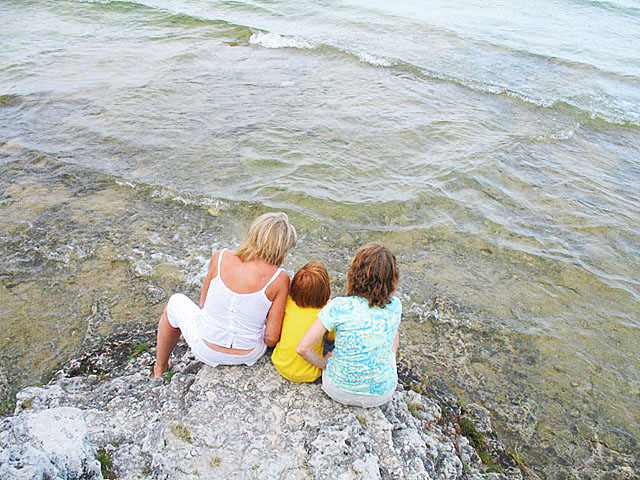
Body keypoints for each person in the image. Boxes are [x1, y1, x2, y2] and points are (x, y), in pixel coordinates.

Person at [151, 212, 296, 378]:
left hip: (206, 349)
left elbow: (204, 304)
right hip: (249, 354)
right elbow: (270, 338)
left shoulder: (221, 257)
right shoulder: (280, 278)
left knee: (175, 302)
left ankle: (160, 368)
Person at [296, 244, 401, 407]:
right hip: (381, 394)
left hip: (338, 389)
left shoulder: (339, 306)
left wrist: (324, 363)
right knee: (393, 331)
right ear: (392, 279)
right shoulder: (395, 305)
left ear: (354, 273)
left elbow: (302, 348)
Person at [271, 261, 332, 382]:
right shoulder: (326, 311)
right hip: (310, 373)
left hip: (280, 363)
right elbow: (331, 338)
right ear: (325, 289)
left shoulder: (287, 301)